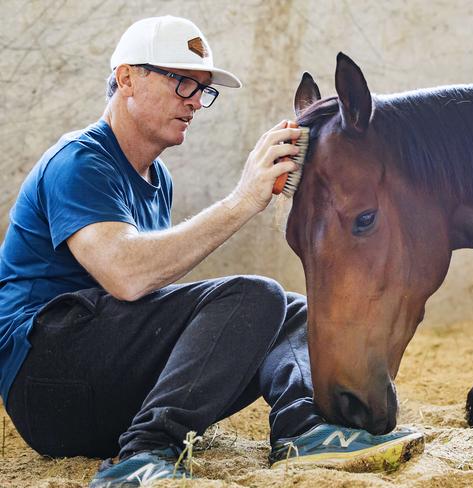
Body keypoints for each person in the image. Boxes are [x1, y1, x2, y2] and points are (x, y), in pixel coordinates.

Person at [0, 15, 423, 486]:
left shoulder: (156, 179)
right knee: (254, 296)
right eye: (182, 83)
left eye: (203, 90)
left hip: (104, 384)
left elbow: (140, 307)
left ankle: (304, 431)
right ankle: (140, 459)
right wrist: (242, 201)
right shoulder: (79, 160)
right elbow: (127, 276)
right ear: (126, 79)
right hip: (46, 388)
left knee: (295, 312)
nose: (197, 102)